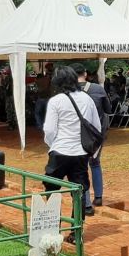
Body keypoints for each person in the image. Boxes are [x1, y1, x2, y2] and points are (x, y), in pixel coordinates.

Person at [43, 66, 100, 244]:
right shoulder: (86, 99)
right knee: (79, 192)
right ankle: (76, 233)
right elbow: (95, 126)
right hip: (80, 154)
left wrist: (53, 146)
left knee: (52, 190)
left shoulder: (56, 101)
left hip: (59, 152)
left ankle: (52, 230)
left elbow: (49, 130)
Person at [70, 63, 111, 216]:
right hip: (96, 134)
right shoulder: (98, 89)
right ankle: (98, 197)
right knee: (95, 164)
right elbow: (108, 110)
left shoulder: (67, 92)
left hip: (77, 135)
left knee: (80, 169)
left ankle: (86, 205)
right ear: (85, 74)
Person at [34, 63, 53, 131]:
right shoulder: (48, 79)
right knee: (47, 113)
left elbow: (36, 89)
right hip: (48, 98)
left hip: (41, 98)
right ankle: (47, 125)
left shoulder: (37, 81)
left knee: (37, 113)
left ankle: (40, 126)